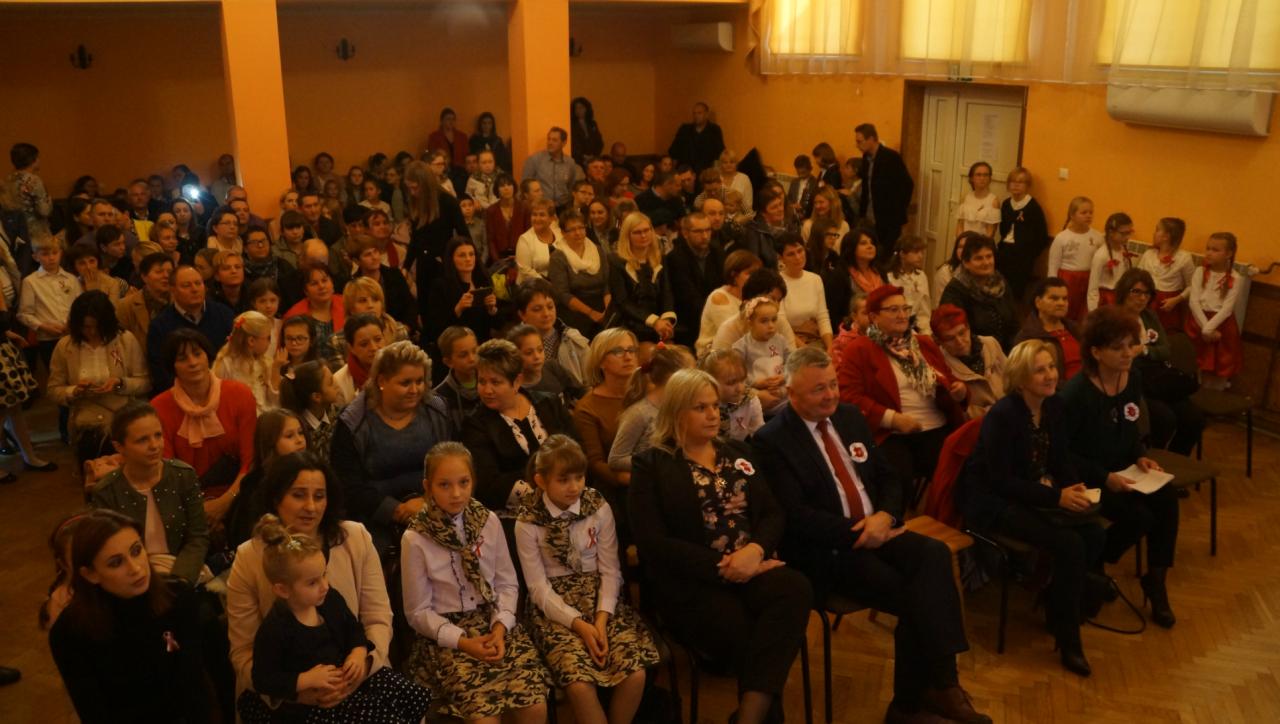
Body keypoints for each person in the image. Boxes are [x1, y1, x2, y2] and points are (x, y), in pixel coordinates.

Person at [755, 348, 988, 722]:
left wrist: (886, 516)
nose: (830, 395)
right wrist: (859, 532)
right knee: (917, 594)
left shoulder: (848, 416)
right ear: (791, 393)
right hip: (828, 551)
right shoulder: (772, 440)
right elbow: (795, 516)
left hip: (879, 528)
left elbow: (887, 476)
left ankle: (939, 687)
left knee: (934, 554)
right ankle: (918, 700)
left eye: (833, 384)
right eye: (818, 389)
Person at [630, 369, 811, 724]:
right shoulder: (651, 464)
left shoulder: (738, 452)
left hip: (753, 566)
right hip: (694, 582)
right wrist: (726, 567)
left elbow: (773, 512)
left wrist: (755, 552)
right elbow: (653, 542)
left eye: (715, 406)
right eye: (700, 407)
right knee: (756, 636)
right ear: (676, 412)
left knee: (796, 588)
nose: (713, 414)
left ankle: (748, 719)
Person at [959, 339, 1105, 677]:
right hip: (994, 502)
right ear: (1021, 378)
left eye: (1052, 367)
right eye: (1040, 370)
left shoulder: (1053, 406)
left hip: (1032, 492)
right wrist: (1057, 498)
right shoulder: (1003, 415)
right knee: (1070, 543)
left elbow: (1060, 458)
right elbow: (1000, 481)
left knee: (1095, 533)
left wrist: (1073, 487)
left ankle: (1057, 606)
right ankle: (1069, 639)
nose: (1051, 375)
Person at [227, 452, 395, 707]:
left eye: (319, 496)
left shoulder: (355, 538)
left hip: (358, 674)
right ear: (276, 498)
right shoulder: (249, 556)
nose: (311, 507)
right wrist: (299, 692)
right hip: (287, 696)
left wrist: (363, 664)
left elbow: (377, 618)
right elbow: (243, 652)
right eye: (298, 495)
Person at [402, 442, 552, 723]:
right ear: (428, 487)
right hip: (450, 633)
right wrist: (462, 642)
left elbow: (507, 584)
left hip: (493, 621)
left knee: (534, 707)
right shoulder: (416, 537)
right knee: (485, 718)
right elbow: (417, 611)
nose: (456, 493)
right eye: (444, 485)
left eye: (464, 482)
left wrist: (500, 626)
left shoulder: (487, 520)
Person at [516, 436, 659, 724]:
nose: (574, 487)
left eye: (579, 477)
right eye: (563, 480)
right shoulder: (527, 521)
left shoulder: (597, 506)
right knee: (579, 684)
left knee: (635, 673)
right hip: (555, 610)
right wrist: (580, 625)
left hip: (600, 600)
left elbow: (611, 570)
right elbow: (538, 588)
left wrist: (601, 620)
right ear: (541, 481)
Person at [238, 514, 431, 724]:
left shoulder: (329, 599)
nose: (324, 585)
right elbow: (264, 678)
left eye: (324, 575)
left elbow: (353, 629)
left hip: (346, 676)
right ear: (283, 590)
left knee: (411, 696)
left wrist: (358, 652)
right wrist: (304, 680)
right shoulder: (276, 628)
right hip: (311, 703)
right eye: (312, 582)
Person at [1061, 306, 1179, 629]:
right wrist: (1104, 477)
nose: (1128, 353)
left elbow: (1128, 428)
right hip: (1088, 477)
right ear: (1096, 352)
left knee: (1167, 499)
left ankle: (1155, 583)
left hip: (1124, 469)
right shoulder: (1076, 393)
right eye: (1118, 348)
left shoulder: (1132, 378)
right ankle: (1094, 563)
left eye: (1131, 345)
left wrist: (1140, 456)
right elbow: (1062, 454)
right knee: (1140, 517)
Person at [48, 510, 209, 723]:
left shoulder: (178, 597)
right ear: (90, 574)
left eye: (136, 550)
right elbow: (94, 713)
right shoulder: (69, 633)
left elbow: (194, 686)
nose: (135, 568)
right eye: (116, 562)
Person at [330, 340, 454, 556]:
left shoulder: (437, 409)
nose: (414, 390)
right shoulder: (352, 422)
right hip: (373, 520)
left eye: (420, 381)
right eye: (405, 383)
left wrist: (428, 502)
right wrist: (398, 511)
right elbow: (348, 486)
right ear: (381, 381)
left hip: (437, 507)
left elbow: (453, 462)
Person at [838, 285, 966, 482]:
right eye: (893, 310)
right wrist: (892, 419)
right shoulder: (859, 350)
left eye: (905, 308)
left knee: (964, 470)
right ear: (874, 317)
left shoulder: (923, 344)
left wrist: (960, 391)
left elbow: (950, 379)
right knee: (898, 474)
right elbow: (849, 398)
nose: (902, 315)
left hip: (939, 426)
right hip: (892, 433)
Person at [89, 401, 209, 587]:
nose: (154, 445)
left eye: (158, 435)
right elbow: (108, 551)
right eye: (142, 440)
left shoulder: (183, 475)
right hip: (132, 578)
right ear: (119, 447)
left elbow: (198, 536)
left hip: (181, 573)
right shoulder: (106, 491)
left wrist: (180, 579)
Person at [150, 328, 257, 529]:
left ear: (207, 356)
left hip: (240, 495)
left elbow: (250, 461)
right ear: (172, 366)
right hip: (185, 504)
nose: (193, 362)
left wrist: (224, 503)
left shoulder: (240, 394)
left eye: (197, 354)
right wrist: (199, 511)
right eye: (182, 358)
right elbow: (165, 473)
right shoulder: (159, 407)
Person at [462, 339, 579, 512]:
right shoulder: (475, 424)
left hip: (570, 495)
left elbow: (576, 451)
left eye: (495, 382)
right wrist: (549, 493)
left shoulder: (550, 403)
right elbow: (488, 483)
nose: (487, 390)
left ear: (517, 381)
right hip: (517, 513)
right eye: (481, 381)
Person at [48, 291, 150, 465]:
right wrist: (74, 391)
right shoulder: (65, 346)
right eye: (86, 327)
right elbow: (53, 390)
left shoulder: (125, 340)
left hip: (121, 422)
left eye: (97, 326)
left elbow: (145, 382)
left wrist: (120, 383)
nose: (92, 332)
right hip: (85, 426)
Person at [1116, 269, 1204, 456]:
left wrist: (1144, 350)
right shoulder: (1112, 318)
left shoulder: (1149, 317)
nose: (1142, 298)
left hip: (1157, 379)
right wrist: (1143, 353)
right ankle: (1151, 459)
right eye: (1136, 292)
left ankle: (1176, 460)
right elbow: (1119, 356)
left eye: (1147, 293)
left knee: (1194, 418)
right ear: (1124, 291)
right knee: (1165, 419)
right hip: (1131, 381)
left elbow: (1165, 351)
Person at [146, 265, 235, 392]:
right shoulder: (160, 325)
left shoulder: (224, 314)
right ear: (173, 290)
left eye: (198, 283)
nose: (194, 289)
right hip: (181, 393)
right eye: (186, 286)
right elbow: (161, 372)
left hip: (225, 388)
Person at [572, 328, 638, 500]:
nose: (628, 357)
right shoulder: (587, 408)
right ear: (601, 361)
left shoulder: (647, 394)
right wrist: (634, 479)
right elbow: (595, 463)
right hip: (618, 492)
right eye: (618, 351)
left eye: (631, 350)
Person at [608, 345, 693, 475]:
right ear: (673, 377)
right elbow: (616, 459)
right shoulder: (639, 413)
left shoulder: (683, 407)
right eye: (691, 373)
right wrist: (657, 464)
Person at [405, 159, 470, 305]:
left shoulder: (448, 202)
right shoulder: (415, 201)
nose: (412, 193)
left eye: (415, 188)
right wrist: (406, 266)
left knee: (443, 306)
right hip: (423, 263)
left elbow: (464, 235)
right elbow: (416, 238)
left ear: (426, 184)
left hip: (443, 263)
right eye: (409, 188)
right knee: (425, 306)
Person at [940, 235, 1020, 351]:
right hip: (971, 353)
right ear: (966, 263)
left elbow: (1014, 324)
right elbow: (955, 334)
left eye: (989, 256)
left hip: (1005, 353)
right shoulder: (955, 290)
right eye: (978, 258)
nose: (986, 262)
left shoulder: (1001, 283)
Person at [1186, 231, 1242, 390]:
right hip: (1198, 322)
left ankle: (1214, 395)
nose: (1209, 253)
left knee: (1218, 365)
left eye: (1215, 250)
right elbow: (1194, 302)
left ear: (1228, 254)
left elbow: (1227, 309)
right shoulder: (1200, 272)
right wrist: (1205, 328)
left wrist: (1209, 329)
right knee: (1195, 361)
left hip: (1221, 325)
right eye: (1208, 248)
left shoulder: (1235, 278)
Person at [609, 212, 676, 343]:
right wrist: (654, 321)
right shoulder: (616, 261)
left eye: (646, 230)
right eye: (637, 232)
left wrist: (666, 319)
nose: (643, 235)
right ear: (627, 236)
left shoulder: (660, 258)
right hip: (628, 324)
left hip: (657, 322)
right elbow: (622, 302)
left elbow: (666, 292)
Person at [931, 304, 1007, 419]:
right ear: (939, 341)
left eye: (962, 333)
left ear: (968, 327)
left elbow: (1014, 379)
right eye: (950, 338)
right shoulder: (941, 365)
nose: (959, 341)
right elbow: (955, 414)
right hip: (980, 423)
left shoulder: (990, 343)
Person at [515, 278, 591, 386]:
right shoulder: (512, 346)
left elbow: (591, 380)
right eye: (537, 309)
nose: (546, 314)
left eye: (550, 307)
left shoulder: (573, 339)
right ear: (522, 315)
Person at [18, 236, 79, 371]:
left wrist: (72, 323)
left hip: (72, 335)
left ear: (61, 253)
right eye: (45, 254)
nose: (51, 258)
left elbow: (79, 306)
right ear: (35, 257)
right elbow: (24, 314)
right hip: (48, 339)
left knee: (77, 371)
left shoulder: (71, 279)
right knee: (56, 373)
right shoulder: (30, 282)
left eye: (55, 253)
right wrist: (43, 326)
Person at [548, 209, 612, 338]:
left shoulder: (598, 250)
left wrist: (608, 310)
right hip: (575, 308)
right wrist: (591, 313)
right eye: (572, 230)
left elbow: (607, 284)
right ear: (563, 233)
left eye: (581, 228)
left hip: (603, 302)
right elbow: (563, 294)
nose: (577, 233)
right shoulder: (558, 257)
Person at [667, 211, 725, 348]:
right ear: (685, 233)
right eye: (698, 231)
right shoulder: (675, 258)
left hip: (716, 316)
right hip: (689, 323)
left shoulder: (717, 252)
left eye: (707, 230)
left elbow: (723, 286)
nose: (705, 236)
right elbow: (687, 297)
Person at [855, 123, 914, 255]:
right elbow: (867, 187)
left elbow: (907, 185)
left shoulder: (891, 157)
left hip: (888, 220)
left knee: (885, 255)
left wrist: (897, 212)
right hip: (869, 217)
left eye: (860, 141)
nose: (857, 145)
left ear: (871, 139)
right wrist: (862, 214)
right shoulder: (866, 158)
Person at [1015, 277, 1082, 384]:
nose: (1061, 303)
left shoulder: (1076, 329)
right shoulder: (1028, 337)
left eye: (1064, 299)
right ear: (1038, 302)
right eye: (1054, 298)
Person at [696, 250, 761, 358]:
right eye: (750, 273)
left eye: (757, 273)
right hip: (713, 356)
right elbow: (735, 334)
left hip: (743, 351)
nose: (756, 278)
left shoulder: (754, 296)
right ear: (734, 275)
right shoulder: (719, 297)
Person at [996, 167, 1049, 298]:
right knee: (1000, 288)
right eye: (1013, 181)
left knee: (1016, 292)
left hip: (1023, 257)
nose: (1016, 185)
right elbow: (1003, 229)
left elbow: (1042, 236)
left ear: (1027, 186)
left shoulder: (1033, 207)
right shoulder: (1006, 204)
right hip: (1005, 252)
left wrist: (1029, 254)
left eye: (1020, 182)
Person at [1047, 197, 1102, 322]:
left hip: (1088, 280)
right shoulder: (1062, 238)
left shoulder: (1098, 237)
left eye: (1091, 212)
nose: (1088, 215)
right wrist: (1052, 287)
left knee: (1083, 312)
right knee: (1066, 310)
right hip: (1068, 280)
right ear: (1072, 215)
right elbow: (1053, 266)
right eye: (1084, 213)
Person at [1136, 217, 1193, 332]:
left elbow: (1192, 286)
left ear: (1166, 236)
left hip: (1168, 304)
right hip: (1147, 299)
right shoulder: (1149, 254)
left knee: (1164, 332)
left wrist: (1176, 300)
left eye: (1157, 230)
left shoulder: (1184, 258)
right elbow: (1137, 277)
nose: (1154, 233)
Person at [778, 233, 833, 350]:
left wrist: (830, 347)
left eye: (800, 251)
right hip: (789, 344)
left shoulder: (815, 279)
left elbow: (823, 317)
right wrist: (807, 350)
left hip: (814, 340)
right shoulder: (776, 282)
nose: (798, 257)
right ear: (781, 258)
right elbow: (781, 324)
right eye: (791, 254)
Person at [212, 310, 275, 413]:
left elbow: (270, 401)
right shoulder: (226, 364)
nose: (270, 342)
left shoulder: (264, 361)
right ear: (251, 341)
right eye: (268, 338)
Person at [508, 324, 584, 407]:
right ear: (515, 357)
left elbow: (581, 392)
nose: (537, 356)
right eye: (529, 353)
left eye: (540, 350)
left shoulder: (552, 367)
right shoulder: (515, 389)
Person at [283, 264, 344, 366]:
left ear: (332, 283)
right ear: (305, 291)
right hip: (308, 370)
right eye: (314, 283)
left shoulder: (347, 305)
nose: (321, 286)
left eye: (324, 280)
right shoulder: (294, 315)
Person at [278, 360, 340, 458]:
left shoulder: (338, 414)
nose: (337, 384)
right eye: (331, 383)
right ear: (317, 397)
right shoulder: (299, 430)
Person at [700, 349, 764, 441]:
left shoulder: (750, 399)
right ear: (711, 382)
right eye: (731, 383)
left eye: (742, 380)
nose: (740, 389)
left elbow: (758, 431)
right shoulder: (704, 405)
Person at [523, 127, 586, 209]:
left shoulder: (570, 163)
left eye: (554, 140)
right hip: (542, 207)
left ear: (564, 143)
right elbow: (525, 185)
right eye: (549, 139)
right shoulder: (535, 160)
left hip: (563, 206)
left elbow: (571, 185)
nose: (550, 143)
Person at [333, 313, 386, 409]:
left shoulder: (399, 367)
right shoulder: (339, 381)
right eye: (364, 344)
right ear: (351, 348)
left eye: (378, 339)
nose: (374, 348)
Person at [1087, 212, 1137, 311]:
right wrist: (1093, 311)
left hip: (1119, 297)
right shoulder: (1101, 255)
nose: (1127, 237)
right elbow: (1093, 288)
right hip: (1106, 301)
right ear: (1111, 232)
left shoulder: (1123, 249)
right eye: (1123, 233)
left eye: (1129, 233)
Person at [885, 235, 932, 333]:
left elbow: (924, 311)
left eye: (921, 252)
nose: (920, 256)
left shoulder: (921, 276)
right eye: (916, 252)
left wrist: (925, 332)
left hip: (915, 326)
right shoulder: (890, 278)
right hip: (896, 326)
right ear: (902, 254)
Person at [667, 101, 726, 174]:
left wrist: (714, 173)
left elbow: (719, 154)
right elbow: (674, 151)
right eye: (694, 113)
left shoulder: (714, 130)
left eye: (699, 113)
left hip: (705, 172)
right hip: (685, 171)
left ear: (706, 114)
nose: (696, 116)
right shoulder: (685, 130)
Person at [515, 199, 563, 284]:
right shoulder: (524, 240)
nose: (537, 219)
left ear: (551, 218)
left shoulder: (559, 233)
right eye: (534, 214)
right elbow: (526, 272)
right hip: (533, 286)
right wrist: (549, 284)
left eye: (542, 215)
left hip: (560, 282)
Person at [8, 142, 51, 233]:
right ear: (32, 160)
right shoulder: (34, 181)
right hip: (35, 230)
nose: (39, 160)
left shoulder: (10, 180)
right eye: (38, 157)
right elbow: (44, 211)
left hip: (16, 230)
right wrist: (49, 199)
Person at [953, 161, 1001, 238]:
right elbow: (960, 226)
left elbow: (991, 232)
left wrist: (977, 245)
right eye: (978, 175)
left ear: (990, 179)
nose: (982, 178)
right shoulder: (965, 197)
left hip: (982, 243)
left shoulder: (994, 201)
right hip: (963, 242)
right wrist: (961, 242)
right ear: (972, 178)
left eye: (985, 175)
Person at [428, 107, 470, 171]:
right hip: (442, 168)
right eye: (448, 119)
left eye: (453, 119)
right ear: (442, 121)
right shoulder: (434, 137)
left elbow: (466, 154)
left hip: (460, 169)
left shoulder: (462, 136)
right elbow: (432, 155)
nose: (451, 122)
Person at [570, 97, 604, 167]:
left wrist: (593, 156)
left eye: (581, 107)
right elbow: (573, 143)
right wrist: (583, 156)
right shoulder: (571, 125)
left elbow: (599, 142)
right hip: (578, 160)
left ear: (586, 109)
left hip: (593, 158)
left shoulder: (592, 124)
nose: (579, 110)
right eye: (576, 108)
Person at [788, 154, 819, 219]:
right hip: (793, 213)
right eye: (798, 173)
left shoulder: (815, 183)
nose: (801, 175)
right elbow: (789, 199)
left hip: (808, 215)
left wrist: (803, 210)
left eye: (803, 172)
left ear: (810, 169)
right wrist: (793, 206)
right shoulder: (794, 182)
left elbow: (815, 204)